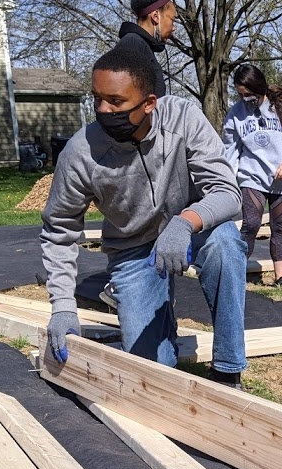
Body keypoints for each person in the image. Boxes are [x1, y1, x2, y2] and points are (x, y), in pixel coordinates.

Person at [40, 47, 247, 390]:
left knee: (225, 242)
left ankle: (227, 369)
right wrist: (63, 306)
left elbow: (228, 192)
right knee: (152, 375)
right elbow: (59, 231)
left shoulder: (184, 119)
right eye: (97, 99)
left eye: (116, 101)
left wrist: (185, 222)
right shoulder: (81, 153)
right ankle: (158, 331)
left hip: (191, 231)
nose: (104, 110)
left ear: (149, 102)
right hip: (133, 249)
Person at [221, 64, 282, 288]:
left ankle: (280, 278)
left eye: (248, 93)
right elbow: (230, 149)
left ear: (258, 87)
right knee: (250, 224)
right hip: (252, 177)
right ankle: (237, 276)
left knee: (279, 228)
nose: (245, 98)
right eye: (240, 94)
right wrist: (227, 179)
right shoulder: (236, 114)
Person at [113, 0, 179, 98]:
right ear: (156, 16)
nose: (174, 28)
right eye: (172, 20)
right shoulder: (132, 44)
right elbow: (121, 98)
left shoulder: (141, 46)